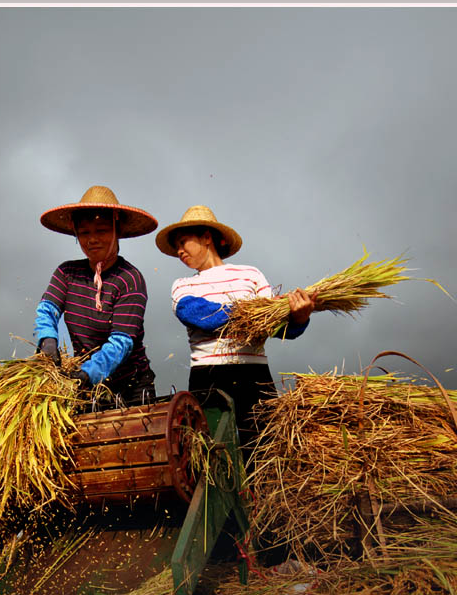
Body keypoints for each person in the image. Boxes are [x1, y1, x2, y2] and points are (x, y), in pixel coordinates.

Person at [155, 205, 317, 459]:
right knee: (215, 458)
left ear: (207, 237)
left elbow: (277, 327)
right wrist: (253, 311)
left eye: (183, 242)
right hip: (209, 379)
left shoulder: (250, 275)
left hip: (254, 377)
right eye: (176, 246)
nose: (179, 251)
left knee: (264, 455)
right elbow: (200, 315)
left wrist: (298, 317)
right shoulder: (184, 286)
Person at [34, 185, 158, 406]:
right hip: (87, 389)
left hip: (131, 387)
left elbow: (121, 343)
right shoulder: (67, 273)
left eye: (101, 230)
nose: (92, 239)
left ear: (116, 231)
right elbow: (47, 309)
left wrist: (87, 374)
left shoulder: (129, 279)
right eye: (84, 233)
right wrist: (47, 339)